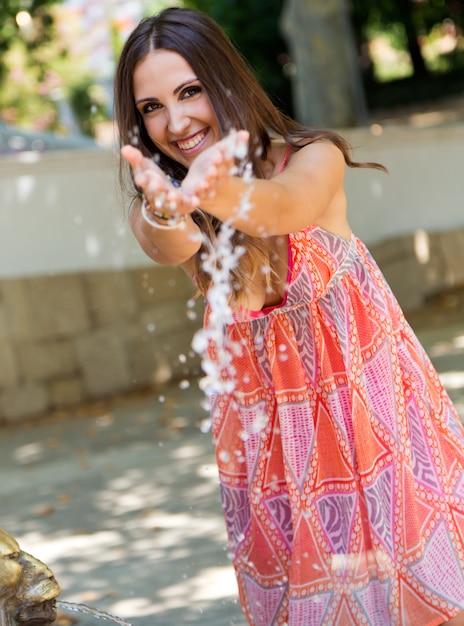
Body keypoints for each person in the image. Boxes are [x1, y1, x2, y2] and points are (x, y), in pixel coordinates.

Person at [114, 7, 464, 625]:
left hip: (374, 420)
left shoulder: (313, 158)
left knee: (426, 597)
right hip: (276, 452)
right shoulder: (176, 202)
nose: (175, 121)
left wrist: (202, 190)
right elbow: (165, 241)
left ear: (225, 80)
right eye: (152, 107)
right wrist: (168, 208)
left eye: (189, 91)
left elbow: (280, 209)